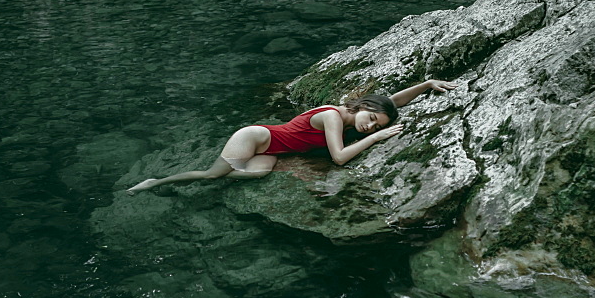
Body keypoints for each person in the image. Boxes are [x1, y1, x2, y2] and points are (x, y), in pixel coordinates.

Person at [126, 79, 457, 195]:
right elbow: (339, 158)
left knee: (260, 174)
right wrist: (374, 139)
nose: (371, 126)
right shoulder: (332, 116)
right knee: (212, 175)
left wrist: (427, 85)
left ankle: (235, 171)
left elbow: (391, 103)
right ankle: (157, 182)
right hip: (257, 137)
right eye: (370, 120)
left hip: (276, 150)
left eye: (375, 126)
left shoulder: (357, 115)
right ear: (362, 107)